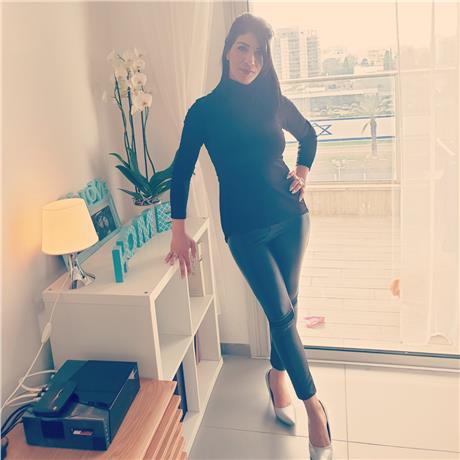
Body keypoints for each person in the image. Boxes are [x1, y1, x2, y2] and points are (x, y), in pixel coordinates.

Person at [164, 12, 333, 460]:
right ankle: (315, 408)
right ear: (227, 50)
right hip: (243, 228)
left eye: (259, 53)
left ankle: (276, 377)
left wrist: (302, 171)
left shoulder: (272, 100)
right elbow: (181, 170)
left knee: (286, 310)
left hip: (291, 217)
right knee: (280, 313)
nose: (251, 60)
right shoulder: (204, 111)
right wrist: (178, 230)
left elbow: (309, 136)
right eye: (243, 48)